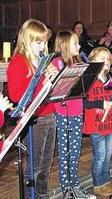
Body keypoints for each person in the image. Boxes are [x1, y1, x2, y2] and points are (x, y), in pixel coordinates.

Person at [6, 18, 57, 198]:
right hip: (34, 118)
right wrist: (42, 78)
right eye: (39, 42)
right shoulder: (19, 62)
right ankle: (31, 195)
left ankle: (42, 192)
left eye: (45, 42)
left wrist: (54, 79)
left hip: (49, 113)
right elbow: (16, 95)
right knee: (34, 164)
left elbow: (51, 90)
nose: (43, 47)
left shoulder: (42, 60)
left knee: (46, 161)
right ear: (27, 40)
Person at [51, 30, 95, 198]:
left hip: (77, 111)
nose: (79, 45)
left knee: (75, 152)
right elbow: (55, 89)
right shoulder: (56, 63)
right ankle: (66, 189)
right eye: (75, 43)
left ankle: (75, 185)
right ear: (64, 46)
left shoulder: (79, 61)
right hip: (63, 113)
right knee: (65, 152)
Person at [82, 47, 112, 197]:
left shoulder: (109, 78)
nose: (106, 62)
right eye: (102, 59)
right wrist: (100, 104)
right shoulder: (89, 79)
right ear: (92, 61)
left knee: (108, 153)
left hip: (108, 122)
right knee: (100, 155)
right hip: (95, 124)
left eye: (108, 59)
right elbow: (84, 103)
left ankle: (106, 181)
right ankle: (98, 184)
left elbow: (110, 97)